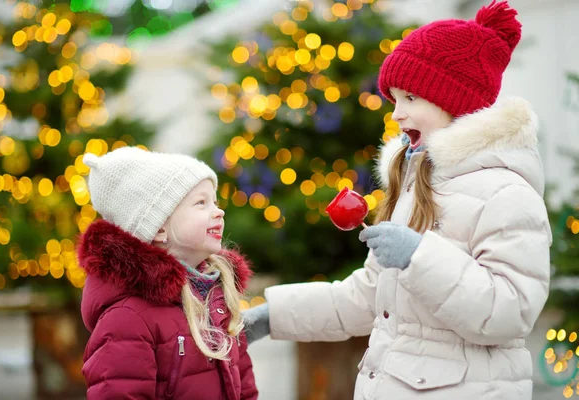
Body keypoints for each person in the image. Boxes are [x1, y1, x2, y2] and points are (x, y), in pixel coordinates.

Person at [242, 1, 552, 398]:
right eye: (394, 99)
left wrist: (418, 257)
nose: (395, 114)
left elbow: (509, 313)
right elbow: (366, 296)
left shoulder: (507, 193)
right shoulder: (416, 185)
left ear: (453, 98)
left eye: (410, 98)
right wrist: (274, 316)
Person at [78, 147, 258, 400]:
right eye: (201, 203)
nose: (219, 211)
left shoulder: (218, 299)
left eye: (215, 202)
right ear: (159, 227)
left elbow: (244, 385)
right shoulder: (128, 318)